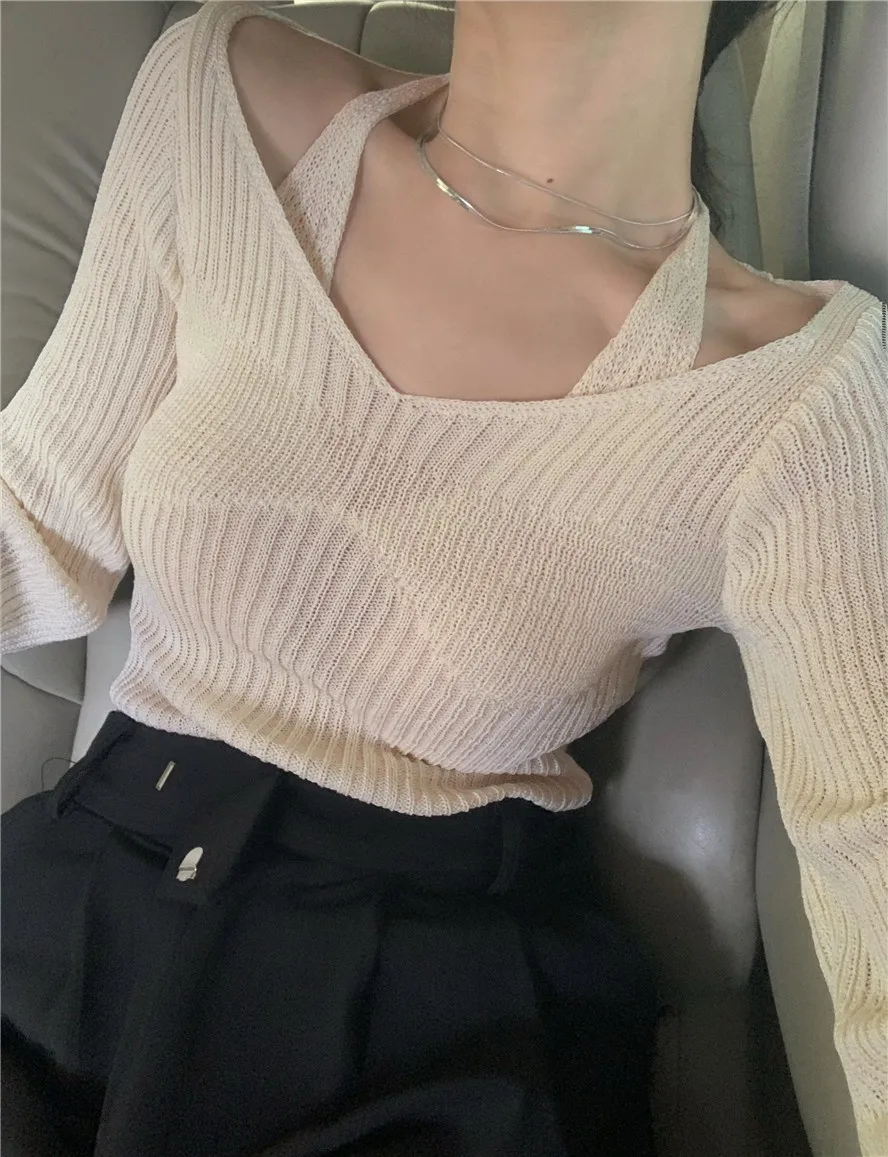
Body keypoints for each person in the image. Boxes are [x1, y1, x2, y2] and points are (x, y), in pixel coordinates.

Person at [2, 2, 886, 1155]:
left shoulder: (797, 397)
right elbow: (37, 514)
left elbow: (871, 847)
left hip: (430, 1014)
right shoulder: (220, 95)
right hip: (67, 899)